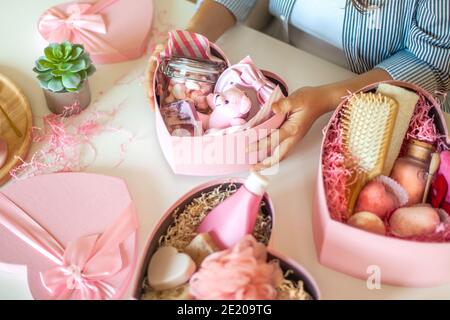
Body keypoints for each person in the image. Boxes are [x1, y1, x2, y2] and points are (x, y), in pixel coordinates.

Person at [147, 0, 450, 169]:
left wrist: (327, 99)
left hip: (372, 108)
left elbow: (432, 60)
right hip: (283, 62)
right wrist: (191, 44)